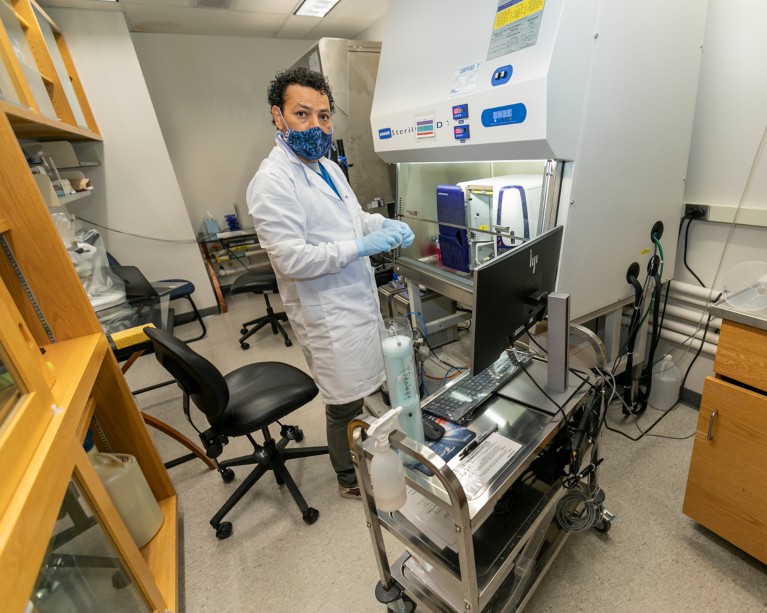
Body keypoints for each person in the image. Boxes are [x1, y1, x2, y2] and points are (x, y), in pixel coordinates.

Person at [246, 67, 415, 500]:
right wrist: (359, 247)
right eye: (302, 114)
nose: (316, 126)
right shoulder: (271, 182)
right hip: (326, 312)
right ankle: (346, 477)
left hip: (355, 298)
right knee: (343, 403)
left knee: (369, 384)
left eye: (323, 116)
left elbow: (354, 219)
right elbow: (291, 259)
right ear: (278, 116)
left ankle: (375, 446)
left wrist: (382, 225)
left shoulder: (328, 168)